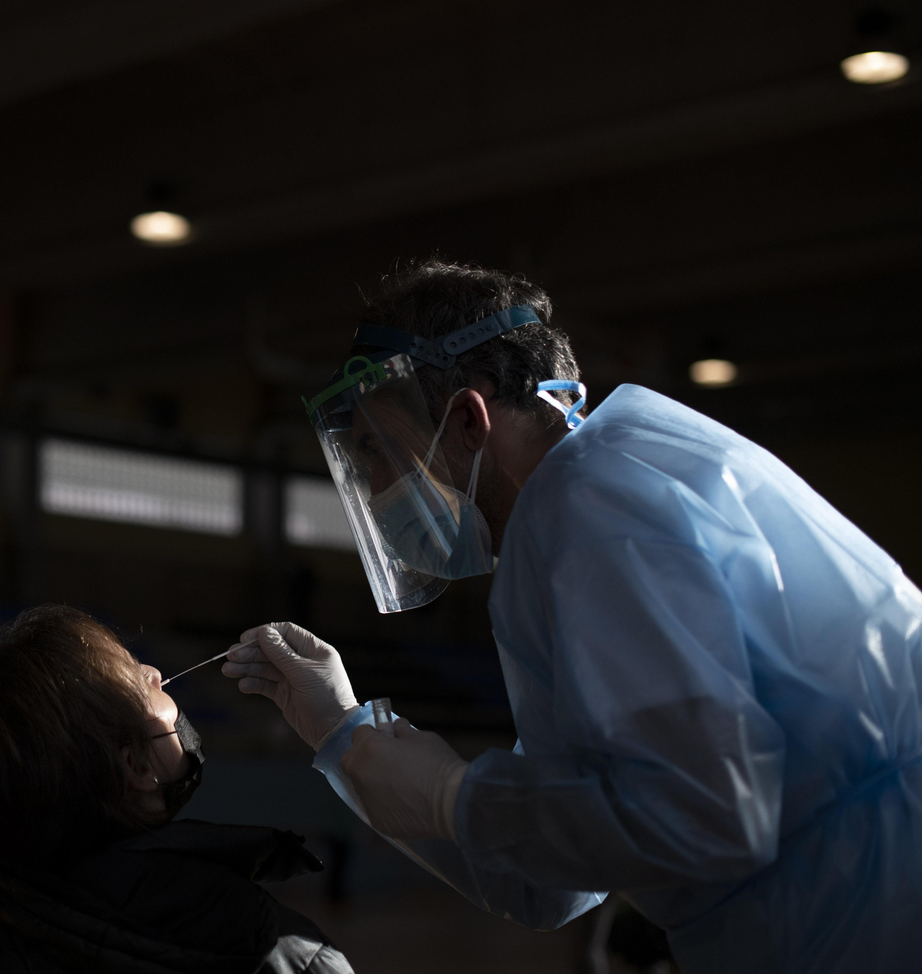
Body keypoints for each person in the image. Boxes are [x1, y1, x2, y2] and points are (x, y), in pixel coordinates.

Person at [222, 259, 921, 974]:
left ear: (468, 417)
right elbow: (547, 883)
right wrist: (342, 732)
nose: (372, 488)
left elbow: (709, 817)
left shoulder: (593, 507)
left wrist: (453, 795)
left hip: (875, 912)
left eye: (375, 447)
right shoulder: (592, 499)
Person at [0, 604, 353, 974]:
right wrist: (346, 729)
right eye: (135, 677)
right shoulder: (264, 944)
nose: (155, 672)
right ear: (137, 766)